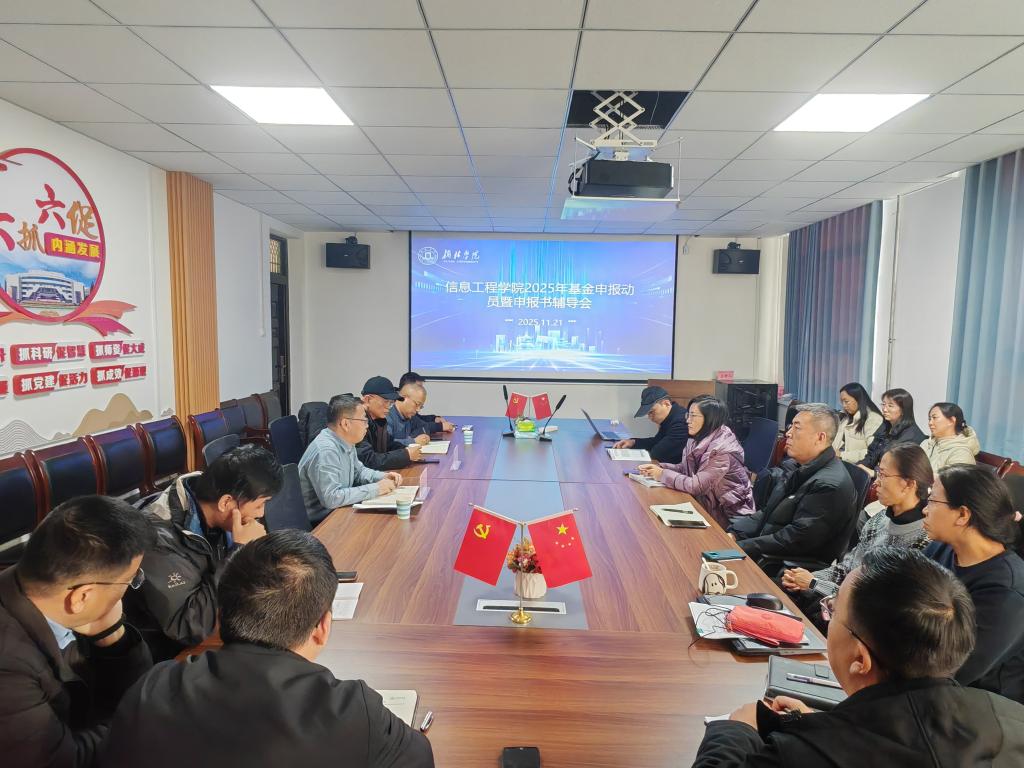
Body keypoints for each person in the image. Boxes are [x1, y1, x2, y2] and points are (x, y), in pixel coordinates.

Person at [99, 530, 434, 768]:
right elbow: (420, 758)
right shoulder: (354, 711)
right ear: (322, 627)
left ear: (220, 615)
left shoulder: (153, 687)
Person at [691, 548, 1024, 767]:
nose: (828, 617)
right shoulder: (1012, 720)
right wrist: (826, 722)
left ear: (860, 659)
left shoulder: (800, 755)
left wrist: (736, 729)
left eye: (833, 611)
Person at [0, 496, 155, 768]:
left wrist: (112, 636)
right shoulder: (9, 668)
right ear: (82, 596)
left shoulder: (42, 588)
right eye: (131, 580)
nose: (128, 589)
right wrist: (139, 719)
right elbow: (67, 761)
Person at [126, 444, 282, 661]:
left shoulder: (218, 511)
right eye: (260, 505)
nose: (261, 513)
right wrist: (239, 552)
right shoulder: (155, 540)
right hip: (170, 659)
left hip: (220, 627)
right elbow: (189, 625)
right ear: (226, 502)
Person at [781, 444, 933, 626]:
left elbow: (870, 601)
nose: (876, 482)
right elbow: (845, 569)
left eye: (883, 475)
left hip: (860, 622)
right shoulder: (879, 519)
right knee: (784, 584)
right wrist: (803, 578)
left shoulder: (923, 542)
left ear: (908, 484)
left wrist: (814, 583)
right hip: (835, 601)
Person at [924, 464, 1024, 704]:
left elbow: (954, 669)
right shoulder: (941, 549)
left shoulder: (1007, 592)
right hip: (923, 678)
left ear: (963, 515)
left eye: (932, 501)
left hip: (978, 705)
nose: (925, 510)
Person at [730, 404, 857, 573]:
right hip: (764, 549)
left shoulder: (829, 485)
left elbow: (794, 540)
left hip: (785, 569)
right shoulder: (798, 467)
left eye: (797, 428)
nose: (788, 433)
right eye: (790, 426)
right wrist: (734, 534)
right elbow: (768, 512)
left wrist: (740, 547)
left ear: (820, 437)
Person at [636, 397, 755, 527]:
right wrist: (659, 467)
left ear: (710, 419)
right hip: (707, 505)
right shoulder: (698, 438)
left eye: (693, 416)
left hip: (729, 518)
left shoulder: (722, 451)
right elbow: (685, 469)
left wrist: (662, 474)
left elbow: (696, 486)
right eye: (688, 415)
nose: (687, 420)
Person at [299, 394, 403, 524]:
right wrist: (377, 488)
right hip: (322, 523)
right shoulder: (326, 451)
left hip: (340, 512)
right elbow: (331, 498)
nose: (367, 425)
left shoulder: (346, 441)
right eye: (364, 420)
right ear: (345, 424)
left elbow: (358, 472)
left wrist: (382, 476)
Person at [857, 388, 926, 476]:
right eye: (883, 404)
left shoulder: (911, 435)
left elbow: (902, 470)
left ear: (903, 410)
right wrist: (859, 467)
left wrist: (875, 474)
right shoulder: (886, 426)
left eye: (890, 406)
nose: (884, 409)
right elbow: (871, 455)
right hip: (878, 476)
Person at [358, 375, 422, 469]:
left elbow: (389, 445)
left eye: (391, 403)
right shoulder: (356, 421)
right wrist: (405, 455)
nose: (389, 407)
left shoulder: (379, 420)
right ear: (368, 399)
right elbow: (368, 460)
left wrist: (407, 450)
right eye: (385, 402)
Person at [612, 385, 688, 463]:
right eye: (648, 414)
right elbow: (656, 441)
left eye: (652, 412)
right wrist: (633, 442)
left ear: (666, 404)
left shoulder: (681, 422)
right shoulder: (671, 417)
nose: (650, 418)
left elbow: (658, 453)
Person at [921, 402, 980, 473]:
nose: (930, 423)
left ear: (952, 421)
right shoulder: (926, 444)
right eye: (929, 419)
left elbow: (949, 479)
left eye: (934, 418)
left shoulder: (961, 453)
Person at [831, 382, 883, 463]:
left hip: (857, 466)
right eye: (842, 402)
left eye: (846, 401)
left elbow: (873, 452)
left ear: (858, 399)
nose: (844, 405)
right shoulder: (845, 417)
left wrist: (842, 455)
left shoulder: (873, 419)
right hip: (839, 463)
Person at [387, 381, 452, 446]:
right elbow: (386, 443)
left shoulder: (409, 416)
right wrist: (413, 440)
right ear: (403, 398)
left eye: (421, 407)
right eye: (417, 404)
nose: (418, 410)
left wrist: (421, 437)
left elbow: (424, 426)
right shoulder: (387, 416)